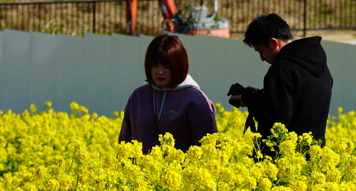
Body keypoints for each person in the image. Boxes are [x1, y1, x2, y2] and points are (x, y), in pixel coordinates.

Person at [228, 13, 333, 153]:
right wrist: (256, 96)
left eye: (261, 51)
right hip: (314, 155)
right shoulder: (319, 66)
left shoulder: (281, 70)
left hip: (285, 160)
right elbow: (295, 102)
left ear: (273, 43)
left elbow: (276, 120)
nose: (262, 58)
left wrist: (251, 99)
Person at [119, 34, 217, 153]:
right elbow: (124, 145)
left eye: (166, 67)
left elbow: (209, 151)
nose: (160, 72)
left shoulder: (196, 100)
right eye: (154, 65)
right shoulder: (138, 97)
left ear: (179, 66)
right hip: (140, 171)